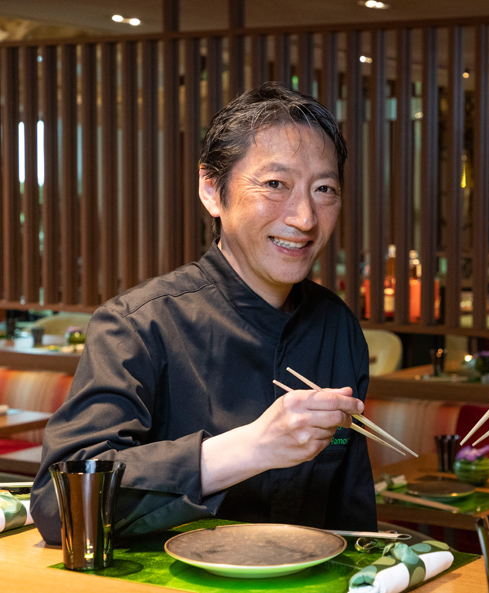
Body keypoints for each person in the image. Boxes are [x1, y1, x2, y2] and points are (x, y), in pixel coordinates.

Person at [31, 82, 377, 543]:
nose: (305, 217)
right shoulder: (138, 323)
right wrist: (247, 449)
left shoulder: (337, 327)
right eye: (275, 184)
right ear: (212, 191)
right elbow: (60, 507)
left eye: (324, 189)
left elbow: (353, 525)